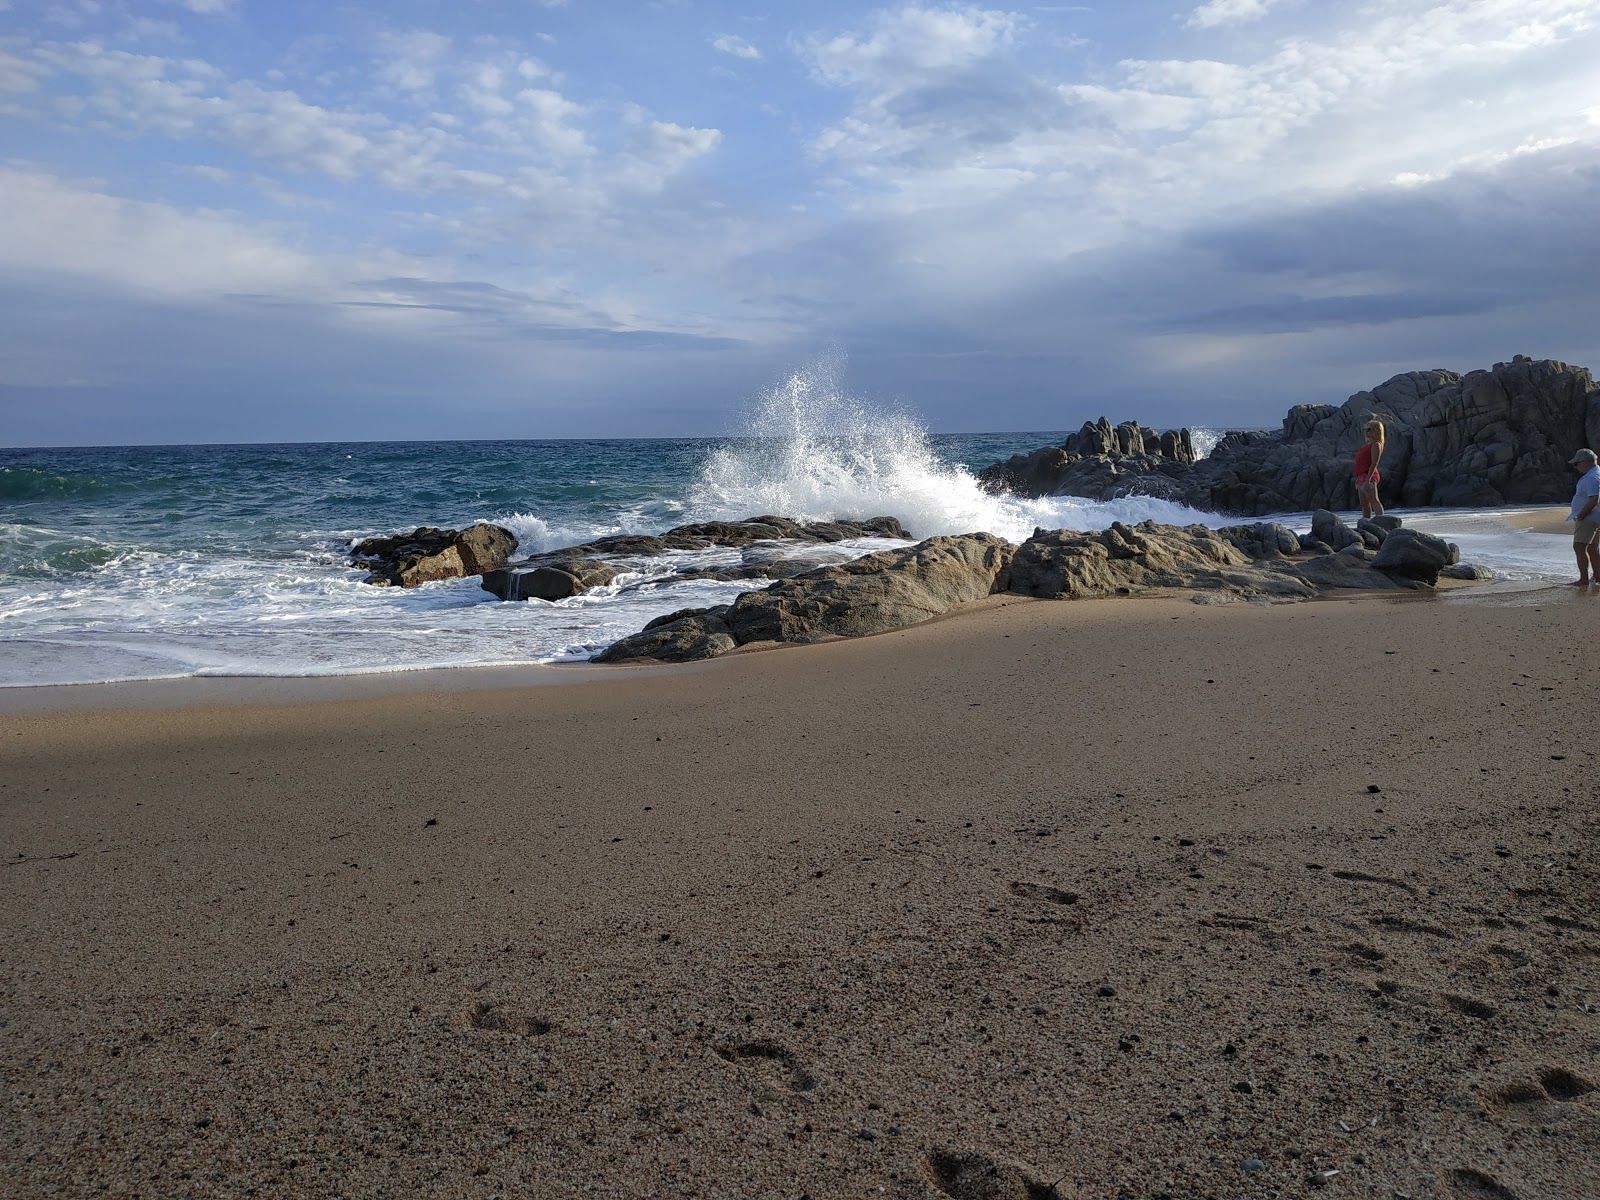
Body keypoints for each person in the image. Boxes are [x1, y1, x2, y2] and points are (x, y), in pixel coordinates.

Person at [1566, 448, 1600, 587]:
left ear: (1585, 462)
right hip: (1596, 517)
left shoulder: (1591, 478)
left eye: (1577, 463)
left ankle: (1583, 580)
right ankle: (1597, 576)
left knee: (1579, 547)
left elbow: (1594, 499)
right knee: (1592, 548)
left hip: (1589, 518)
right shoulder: (1596, 474)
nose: (1576, 467)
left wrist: (1581, 515)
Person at [1353, 418, 1385, 520]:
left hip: (1369, 475)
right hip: (1361, 476)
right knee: (1364, 503)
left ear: (1376, 430)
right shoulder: (1368, 445)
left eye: (1369, 429)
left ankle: (1382, 521)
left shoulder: (1376, 444)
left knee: (1374, 500)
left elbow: (1374, 463)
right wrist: (1358, 480)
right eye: (1365, 429)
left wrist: (1367, 480)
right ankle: (1366, 524)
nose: (1366, 432)